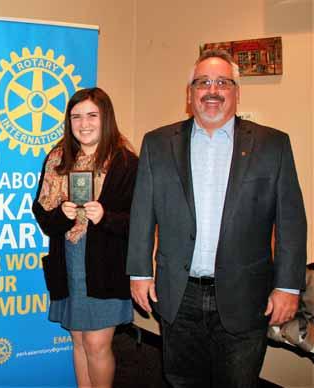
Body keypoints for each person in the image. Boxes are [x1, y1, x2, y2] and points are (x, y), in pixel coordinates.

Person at [126, 49, 307, 388]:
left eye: (223, 82)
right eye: (203, 82)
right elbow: (141, 213)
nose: (212, 90)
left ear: (236, 92)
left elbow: (291, 222)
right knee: (181, 380)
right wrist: (139, 272)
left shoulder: (272, 145)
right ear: (189, 93)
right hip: (179, 294)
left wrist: (287, 286)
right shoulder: (157, 143)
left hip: (245, 295)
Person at [33, 87, 137, 388]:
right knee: (78, 341)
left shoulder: (126, 163)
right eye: (76, 116)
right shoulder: (57, 159)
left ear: (106, 119)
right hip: (67, 264)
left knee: (96, 344)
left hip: (105, 267)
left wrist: (105, 217)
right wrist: (61, 216)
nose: (84, 123)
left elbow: (139, 223)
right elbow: (42, 215)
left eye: (92, 115)